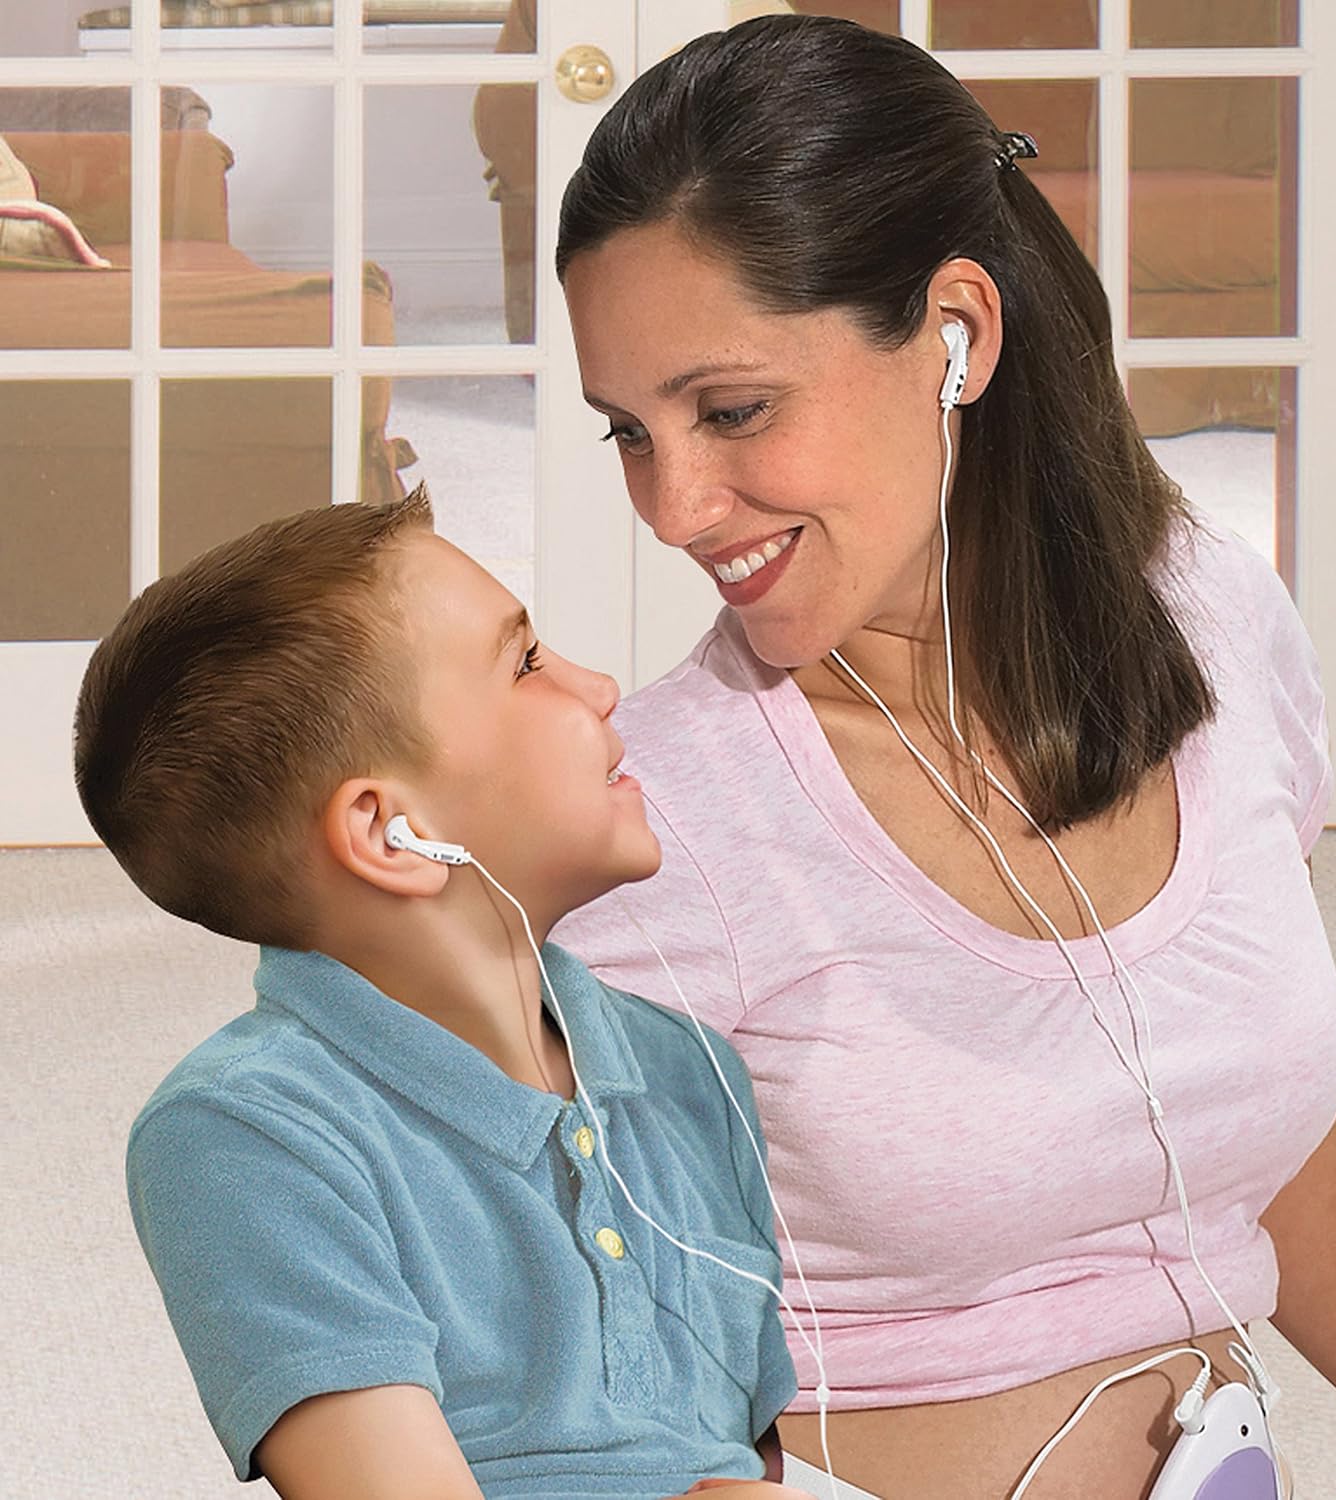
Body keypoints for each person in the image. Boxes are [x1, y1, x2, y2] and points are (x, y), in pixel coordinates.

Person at [550, 16, 1336, 1500]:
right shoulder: (649, 822)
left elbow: (1323, 1221)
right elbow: (536, 1392)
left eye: (731, 412)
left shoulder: (1213, 622)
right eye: (628, 433)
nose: (674, 508)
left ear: (958, 333)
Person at [74, 491, 816, 1500]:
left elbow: (750, 1457)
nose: (601, 688)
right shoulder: (244, 1132)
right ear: (393, 836)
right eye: (526, 664)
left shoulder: (693, 1074)